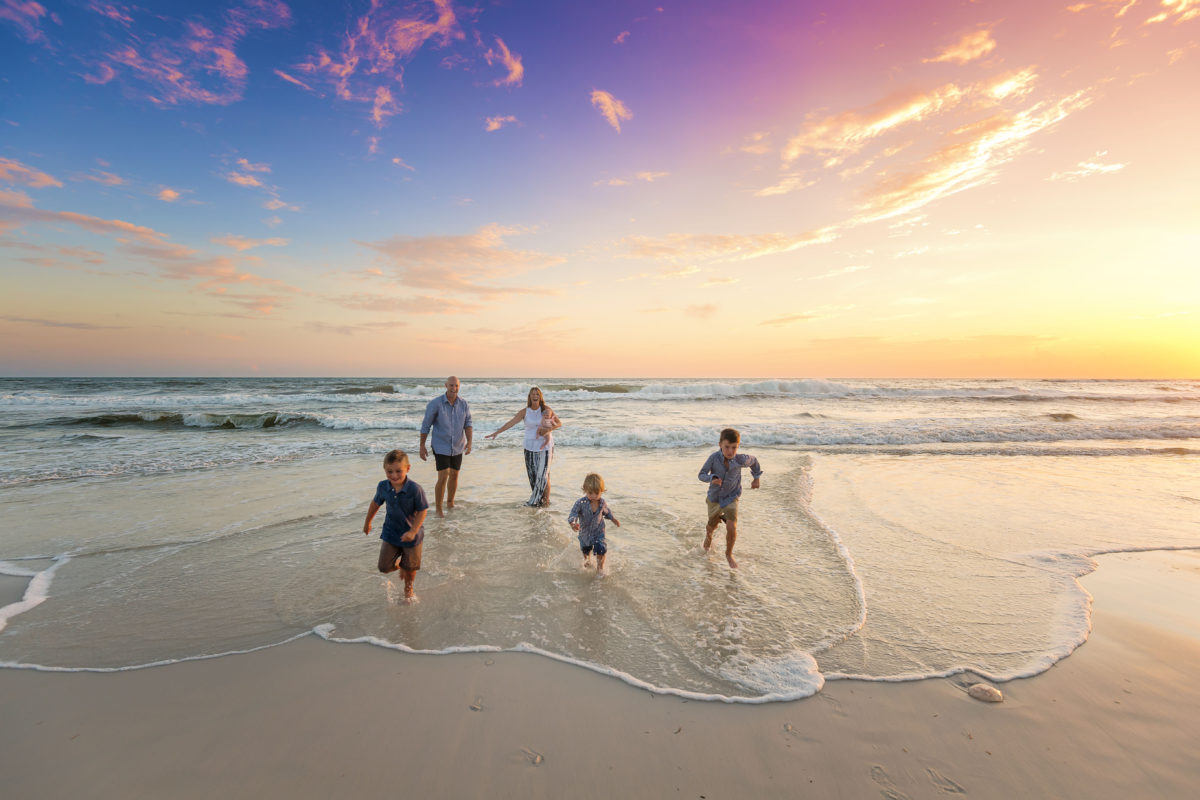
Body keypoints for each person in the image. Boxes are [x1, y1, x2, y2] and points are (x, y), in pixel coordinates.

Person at [362, 449, 429, 602]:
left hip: (412, 536)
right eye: (389, 471)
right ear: (384, 470)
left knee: (411, 567)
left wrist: (413, 531)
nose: (394, 475)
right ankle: (401, 565)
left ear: (408, 468)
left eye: (398, 471)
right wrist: (367, 522)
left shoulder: (415, 489)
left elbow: (423, 510)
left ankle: (408, 589)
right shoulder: (383, 486)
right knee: (384, 567)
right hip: (391, 533)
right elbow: (375, 504)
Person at [484, 386, 561, 506]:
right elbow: (511, 423)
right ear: (529, 397)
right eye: (533, 394)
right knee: (533, 476)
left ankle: (541, 502)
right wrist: (497, 432)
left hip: (545, 446)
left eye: (537, 394)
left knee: (543, 476)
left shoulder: (546, 409)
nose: (535, 396)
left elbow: (558, 423)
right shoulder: (525, 411)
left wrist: (548, 429)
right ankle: (540, 503)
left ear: (540, 397)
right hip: (529, 446)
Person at [697, 428, 762, 569]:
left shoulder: (740, 459)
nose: (730, 451)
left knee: (732, 526)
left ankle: (729, 554)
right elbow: (701, 474)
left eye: (734, 447)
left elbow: (754, 461)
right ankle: (707, 542)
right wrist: (712, 478)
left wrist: (756, 478)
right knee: (711, 527)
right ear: (720, 444)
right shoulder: (714, 458)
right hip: (714, 498)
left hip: (732, 497)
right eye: (727, 447)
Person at [419, 376, 473, 517]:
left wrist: (469, 442)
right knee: (443, 475)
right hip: (441, 445)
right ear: (446, 386)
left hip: (458, 445)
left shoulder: (464, 404)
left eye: (456, 386)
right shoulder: (435, 404)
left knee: (454, 474)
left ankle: (450, 503)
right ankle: (439, 509)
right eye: (451, 385)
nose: (454, 388)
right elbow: (426, 425)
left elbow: (468, 423)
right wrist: (422, 446)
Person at [568, 473, 621, 574]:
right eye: (590, 493)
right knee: (586, 553)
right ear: (585, 490)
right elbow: (573, 513)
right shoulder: (580, 503)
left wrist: (613, 519)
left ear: (602, 491)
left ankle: (600, 569)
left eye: (596, 493)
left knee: (601, 548)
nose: (593, 496)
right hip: (585, 533)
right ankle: (587, 564)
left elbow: (607, 512)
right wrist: (573, 523)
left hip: (598, 531)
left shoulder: (602, 503)